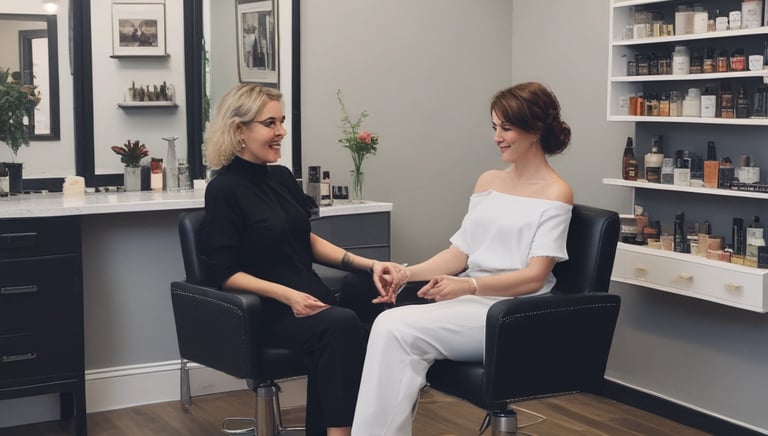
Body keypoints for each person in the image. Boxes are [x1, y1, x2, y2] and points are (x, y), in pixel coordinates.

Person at [351, 82, 574, 436]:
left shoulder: (556, 193)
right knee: (389, 327)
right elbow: (459, 253)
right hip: (473, 302)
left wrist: (469, 286)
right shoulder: (488, 181)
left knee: (394, 329)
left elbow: (535, 277)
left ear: (535, 131)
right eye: (494, 128)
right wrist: (407, 274)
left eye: (506, 128)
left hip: (512, 311)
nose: (497, 137)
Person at [199, 84, 401, 436]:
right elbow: (224, 273)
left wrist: (368, 265)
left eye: (282, 121)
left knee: (376, 310)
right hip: (267, 310)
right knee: (339, 326)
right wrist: (286, 295)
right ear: (239, 131)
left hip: (309, 299)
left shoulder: (279, 177)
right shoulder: (223, 190)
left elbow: (304, 239)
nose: (281, 132)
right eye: (269, 123)